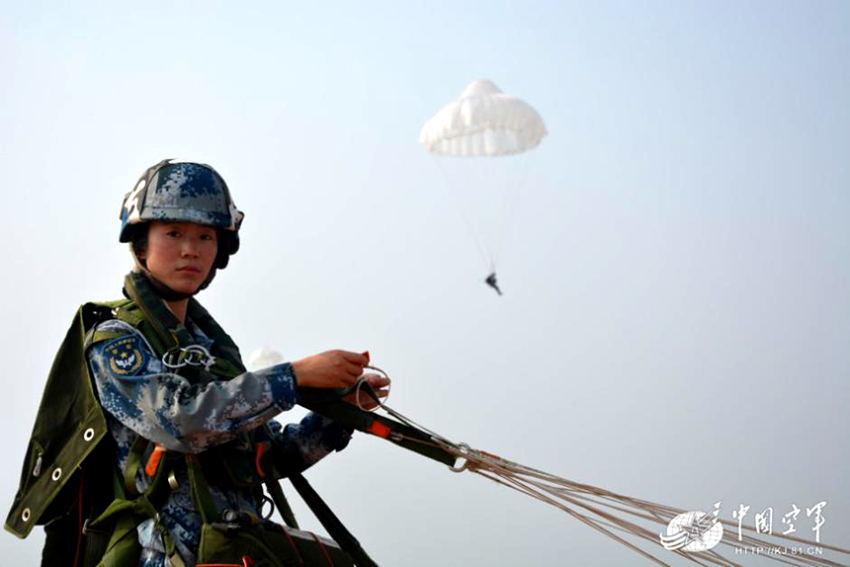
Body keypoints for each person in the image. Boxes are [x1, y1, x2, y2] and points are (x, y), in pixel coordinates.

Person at [6, 159, 389, 567]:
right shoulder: (115, 340)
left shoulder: (214, 351)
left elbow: (267, 455)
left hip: (232, 552)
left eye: (205, 236)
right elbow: (181, 422)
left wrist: (341, 414)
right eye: (173, 233)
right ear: (141, 244)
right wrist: (292, 377)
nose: (191, 249)